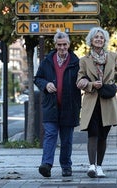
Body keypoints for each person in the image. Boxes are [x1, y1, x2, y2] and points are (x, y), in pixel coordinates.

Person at [76, 27, 117, 178]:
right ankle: (91, 166)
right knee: (93, 133)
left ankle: (99, 166)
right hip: (91, 102)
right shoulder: (84, 60)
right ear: (91, 41)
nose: (99, 39)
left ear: (104, 41)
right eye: (96, 37)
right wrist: (91, 85)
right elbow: (79, 80)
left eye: (101, 37)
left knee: (103, 136)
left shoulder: (112, 56)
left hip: (107, 102)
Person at [34, 31, 81, 178]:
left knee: (66, 139)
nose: (62, 47)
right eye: (59, 45)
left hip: (69, 107)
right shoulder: (47, 60)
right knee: (50, 134)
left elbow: (82, 78)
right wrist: (46, 84)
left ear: (69, 44)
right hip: (50, 106)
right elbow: (38, 78)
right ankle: (46, 165)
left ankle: (66, 166)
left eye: (64, 44)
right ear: (55, 45)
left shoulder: (76, 61)